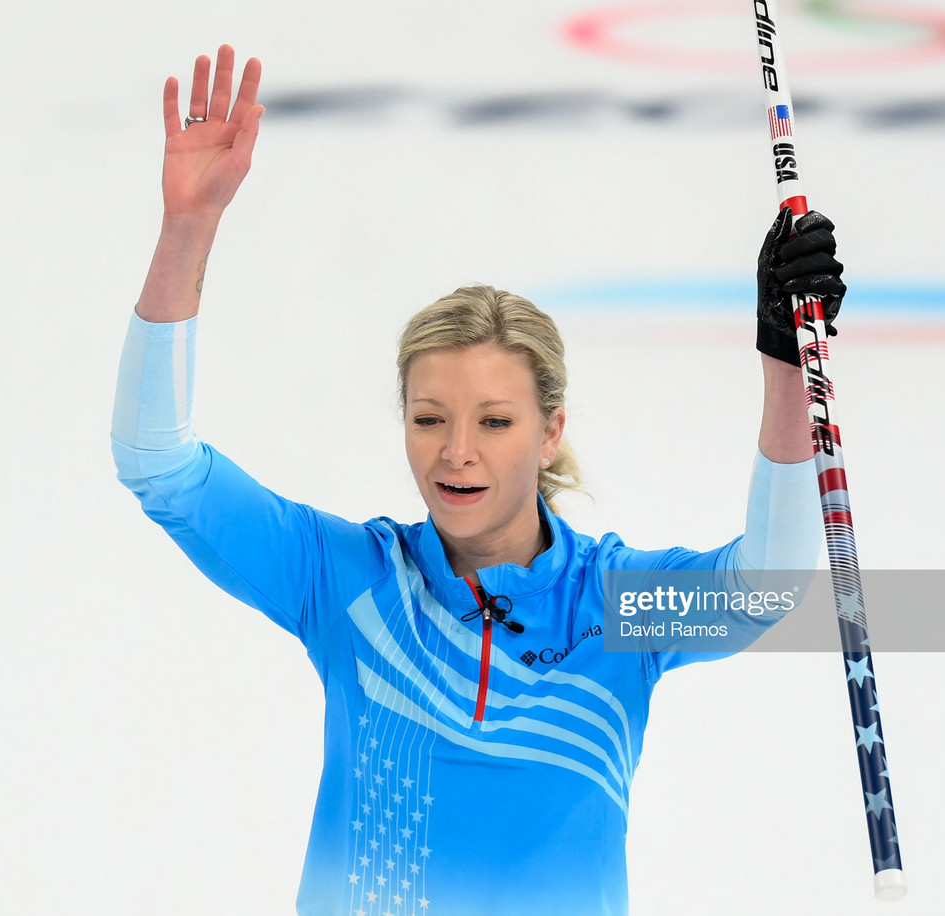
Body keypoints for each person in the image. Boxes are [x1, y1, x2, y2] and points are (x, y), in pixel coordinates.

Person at [111, 45, 846, 916]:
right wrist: (187, 228)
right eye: (430, 420)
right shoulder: (346, 581)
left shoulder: (617, 608)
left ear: (550, 433)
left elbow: (770, 585)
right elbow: (157, 459)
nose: (456, 452)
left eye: (495, 422)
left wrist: (783, 361)